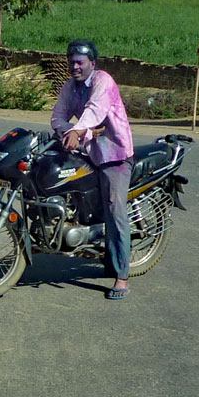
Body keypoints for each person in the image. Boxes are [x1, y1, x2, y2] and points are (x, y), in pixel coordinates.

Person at [50, 39, 135, 301]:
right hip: (89, 153)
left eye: (80, 63)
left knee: (114, 209)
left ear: (92, 64)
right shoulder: (69, 87)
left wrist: (79, 129)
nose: (75, 67)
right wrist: (73, 131)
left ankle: (121, 276)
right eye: (72, 62)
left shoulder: (103, 81)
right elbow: (57, 117)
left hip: (115, 156)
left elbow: (95, 110)